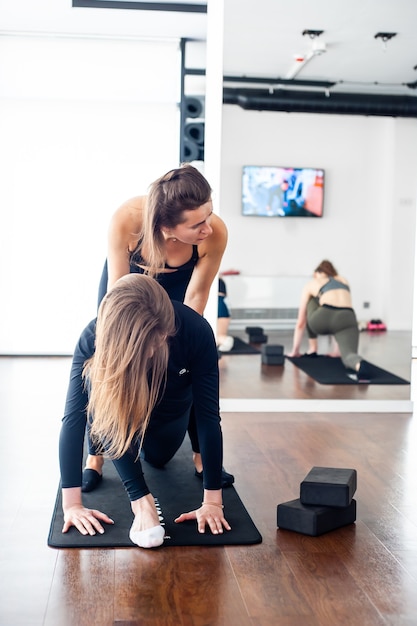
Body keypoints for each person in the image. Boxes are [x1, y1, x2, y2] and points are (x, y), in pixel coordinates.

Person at [84, 163, 232, 492]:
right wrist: (129, 345)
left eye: (209, 214)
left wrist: (175, 352)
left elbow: (196, 297)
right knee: (107, 358)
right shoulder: (127, 219)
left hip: (181, 290)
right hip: (127, 287)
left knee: (192, 361)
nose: (209, 227)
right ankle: (95, 455)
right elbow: (117, 295)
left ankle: (201, 454)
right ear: (166, 227)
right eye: (198, 224)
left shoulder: (214, 233)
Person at [59, 274, 232, 549]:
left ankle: (165, 457)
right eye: (147, 345)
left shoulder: (195, 330)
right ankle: (137, 500)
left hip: (171, 409)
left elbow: (209, 415)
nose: (152, 351)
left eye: (158, 340)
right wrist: (72, 505)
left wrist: (212, 501)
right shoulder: (94, 336)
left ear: (167, 330)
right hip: (121, 408)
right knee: (95, 387)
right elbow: (73, 417)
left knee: (157, 458)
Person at [288, 259, 371, 380]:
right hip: (348, 318)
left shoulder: (312, 283)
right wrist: (336, 352)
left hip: (322, 319)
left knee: (312, 300)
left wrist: (295, 351)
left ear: (316, 273)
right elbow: (341, 308)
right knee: (349, 355)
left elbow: (301, 322)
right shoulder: (343, 280)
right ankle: (359, 364)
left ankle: (313, 349)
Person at [217, 276, 234, 352]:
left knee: (218, 336)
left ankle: (223, 340)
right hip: (223, 300)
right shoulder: (224, 300)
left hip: (219, 300)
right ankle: (223, 339)